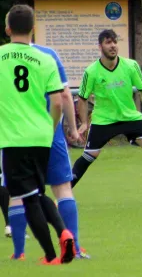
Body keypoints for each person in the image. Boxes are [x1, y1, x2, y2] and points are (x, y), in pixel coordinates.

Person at [1, 4, 75, 264]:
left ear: (8, 28)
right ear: (34, 29)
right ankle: (65, 232)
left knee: (27, 198)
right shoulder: (46, 59)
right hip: (42, 137)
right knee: (38, 193)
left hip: (13, 139)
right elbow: (57, 102)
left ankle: (51, 254)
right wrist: (51, 128)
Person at [7, 42, 89, 260]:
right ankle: (76, 248)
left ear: (8, 30)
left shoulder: (3, 57)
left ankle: (19, 253)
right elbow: (62, 97)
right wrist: (71, 127)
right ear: (32, 27)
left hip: (15, 135)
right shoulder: (48, 54)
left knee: (18, 194)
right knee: (62, 189)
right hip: (48, 132)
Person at [71, 29, 142, 205]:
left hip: (130, 117)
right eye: (108, 42)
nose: (113, 45)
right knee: (90, 155)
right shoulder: (91, 71)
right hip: (104, 120)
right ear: (100, 47)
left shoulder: (130, 66)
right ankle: (65, 194)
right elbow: (82, 99)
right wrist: (84, 123)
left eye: (114, 41)